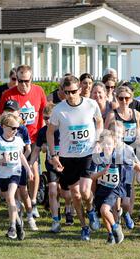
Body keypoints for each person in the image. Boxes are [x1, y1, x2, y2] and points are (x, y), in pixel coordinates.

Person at [47, 75, 104, 241]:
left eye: (73, 91)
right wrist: (54, 154)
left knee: (86, 192)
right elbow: (50, 132)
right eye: (67, 92)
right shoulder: (59, 110)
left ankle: (91, 210)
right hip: (67, 157)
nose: (70, 95)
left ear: (79, 89)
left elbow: (99, 122)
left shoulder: (91, 104)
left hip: (87, 153)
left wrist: (98, 139)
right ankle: (84, 227)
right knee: (76, 195)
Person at [90, 125, 140, 244]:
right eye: (104, 144)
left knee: (105, 210)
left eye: (109, 144)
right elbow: (92, 176)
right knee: (103, 212)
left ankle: (116, 227)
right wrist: (101, 173)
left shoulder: (119, 156)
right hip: (102, 188)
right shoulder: (97, 158)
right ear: (101, 144)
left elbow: (135, 165)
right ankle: (110, 234)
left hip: (114, 189)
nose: (107, 147)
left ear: (114, 145)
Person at [0, 65, 47, 219]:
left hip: (33, 137)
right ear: (16, 79)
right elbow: (1, 116)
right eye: (20, 80)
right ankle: (18, 203)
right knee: (15, 171)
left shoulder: (39, 91)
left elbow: (43, 114)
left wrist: (43, 137)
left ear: (31, 79)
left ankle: (32, 203)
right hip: (13, 139)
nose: (23, 84)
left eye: (27, 81)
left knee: (33, 169)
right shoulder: (8, 94)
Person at [0, 113, 33, 240]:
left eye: (17, 128)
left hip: (15, 171)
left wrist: (29, 170)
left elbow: (21, 155)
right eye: (12, 128)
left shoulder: (18, 140)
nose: (15, 131)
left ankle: (12, 227)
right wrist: (0, 160)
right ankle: (18, 223)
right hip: (2, 174)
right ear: (3, 127)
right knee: (7, 198)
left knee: (11, 196)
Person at [29, 104, 73, 232]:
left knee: (66, 193)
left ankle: (68, 208)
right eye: (45, 118)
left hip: (66, 166)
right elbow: (36, 150)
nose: (47, 121)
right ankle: (55, 220)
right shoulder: (43, 132)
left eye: (49, 118)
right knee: (53, 192)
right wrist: (30, 165)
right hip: (51, 167)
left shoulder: (65, 129)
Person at [0, 100, 38, 231]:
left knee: (24, 191)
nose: (10, 113)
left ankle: (30, 216)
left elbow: (28, 149)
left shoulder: (22, 129)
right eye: (7, 110)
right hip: (5, 167)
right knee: (8, 194)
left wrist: (21, 161)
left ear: (18, 112)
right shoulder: (0, 128)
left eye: (12, 110)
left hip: (18, 166)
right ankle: (17, 218)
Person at [105, 86, 140, 221]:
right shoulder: (112, 114)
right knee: (115, 184)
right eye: (121, 98)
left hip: (129, 153)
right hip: (115, 153)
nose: (124, 101)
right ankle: (117, 213)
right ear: (117, 98)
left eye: (127, 98)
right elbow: (105, 133)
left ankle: (128, 213)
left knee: (128, 185)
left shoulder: (136, 114)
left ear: (131, 99)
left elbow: (138, 132)